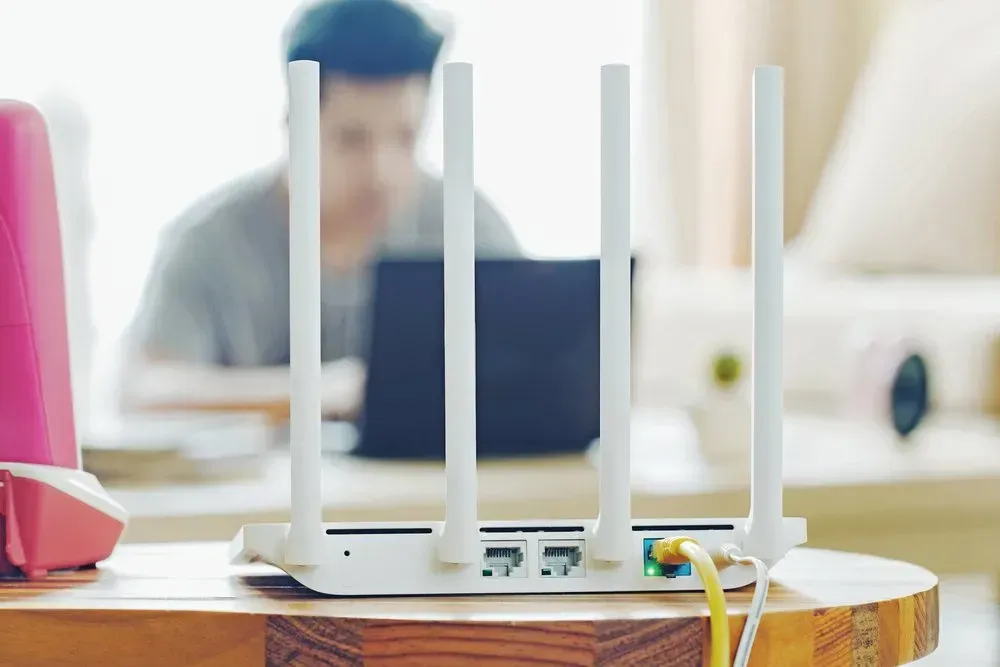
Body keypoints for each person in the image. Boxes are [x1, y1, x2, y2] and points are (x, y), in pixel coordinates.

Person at [117, 0, 520, 416]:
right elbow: (147, 386)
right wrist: (316, 391)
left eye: (405, 137)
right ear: (293, 124)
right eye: (351, 139)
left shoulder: (466, 224)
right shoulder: (211, 241)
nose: (381, 173)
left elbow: (533, 367)